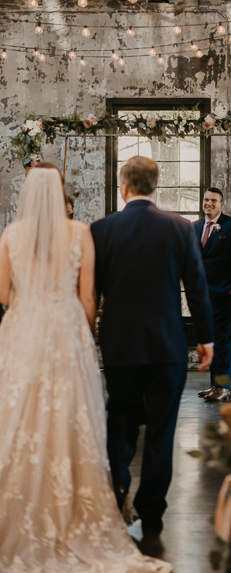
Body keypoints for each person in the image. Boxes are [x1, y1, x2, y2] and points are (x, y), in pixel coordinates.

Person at [0, 166, 172, 571]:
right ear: (60, 192)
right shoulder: (79, 232)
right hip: (66, 332)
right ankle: (75, 509)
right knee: (71, 418)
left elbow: (4, 294)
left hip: (23, 331)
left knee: (20, 417)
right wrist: (85, 334)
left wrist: (29, 307)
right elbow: (89, 295)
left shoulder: (11, 235)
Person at [91, 156, 214, 553]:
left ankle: (119, 485)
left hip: (120, 345)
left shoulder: (101, 230)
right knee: (162, 429)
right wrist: (206, 339)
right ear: (155, 186)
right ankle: (153, 510)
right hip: (167, 345)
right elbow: (196, 287)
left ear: (123, 186)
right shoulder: (179, 227)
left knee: (121, 416)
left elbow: (90, 292)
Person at [195, 188, 231, 401]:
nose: (208, 203)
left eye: (213, 200)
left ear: (222, 203)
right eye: (206, 200)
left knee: (224, 342)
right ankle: (214, 385)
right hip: (204, 297)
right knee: (212, 341)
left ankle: (224, 387)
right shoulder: (195, 227)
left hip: (226, 297)